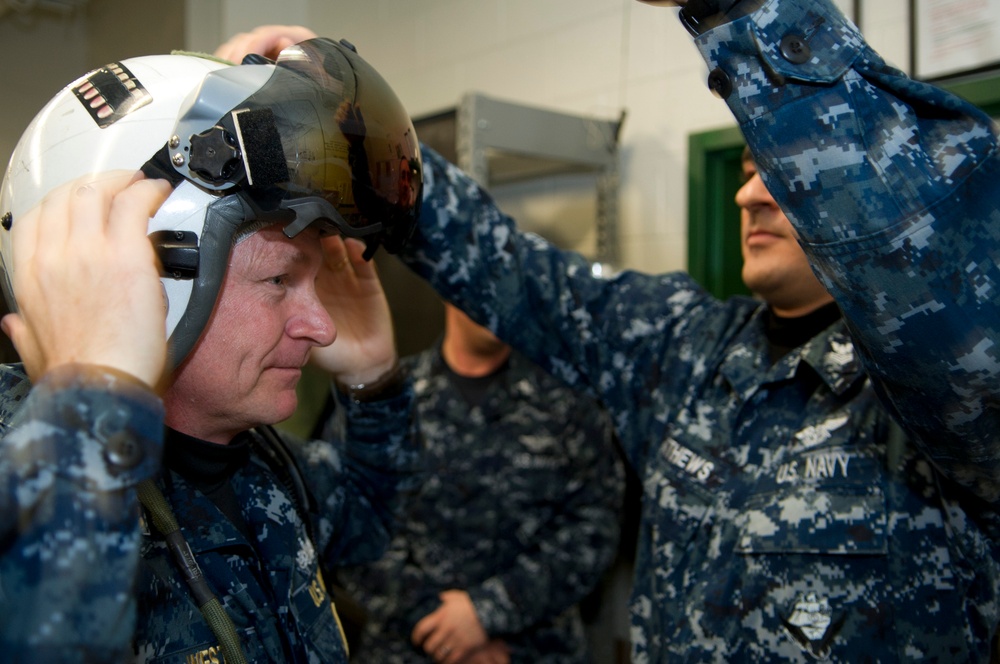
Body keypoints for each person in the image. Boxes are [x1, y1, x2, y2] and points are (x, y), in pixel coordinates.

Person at [221, 2, 1000, 660]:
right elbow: (513, 271)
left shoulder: (947, 405)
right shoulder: (684, 346)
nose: (751, 199)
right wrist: (354, 125)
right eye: (744, 173)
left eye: (782, 172)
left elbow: (936, 282)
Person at [0, 37, 424, 663]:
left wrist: (373, 380)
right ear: (146, 273)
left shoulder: (254, 459)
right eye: (280, 280)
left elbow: (366, 521)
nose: (322, 326)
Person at [336, 302, 624, 664]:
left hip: (535, 648)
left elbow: (596, 525)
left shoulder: (568, 402)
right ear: (450, 285)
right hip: (408, 646)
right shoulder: (384, 399)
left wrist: (486, 612)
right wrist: (443, 626)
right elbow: (349, 522)